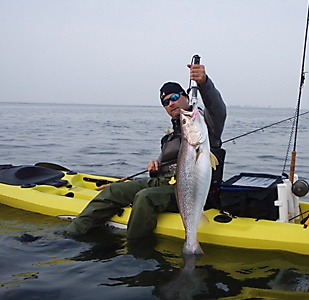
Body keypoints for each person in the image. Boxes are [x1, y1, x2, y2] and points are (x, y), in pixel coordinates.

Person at [65, 63, 226, 239]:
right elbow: (168, 162)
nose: (171, 103)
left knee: (144, 197)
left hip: (192, 187)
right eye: (166, 102)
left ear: (186, 97)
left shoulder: (205, 125)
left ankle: (135, 253)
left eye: (175, 97)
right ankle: (71, 235)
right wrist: (155, 167)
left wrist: (204, 83)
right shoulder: (170, 136)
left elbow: (217, 109)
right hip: (164, 182)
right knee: (114, 190)